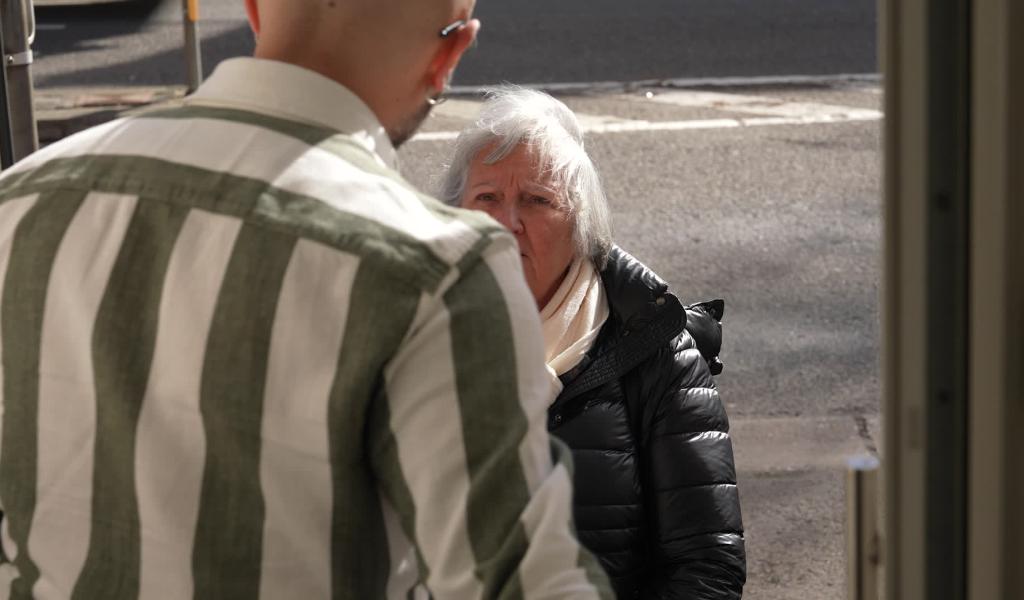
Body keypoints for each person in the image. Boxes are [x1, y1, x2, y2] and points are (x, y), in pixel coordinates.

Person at [0, 2, 613, 598]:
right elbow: (519, 578)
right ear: (448, 54)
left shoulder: (20, 202)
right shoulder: (436, 266)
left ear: (254, 12)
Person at [440, 88, 747, 599]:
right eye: (486, 198)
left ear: (580, 222)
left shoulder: (655, 348)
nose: (506, 223)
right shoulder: (410, 333)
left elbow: (707, 566)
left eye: (536, 200)